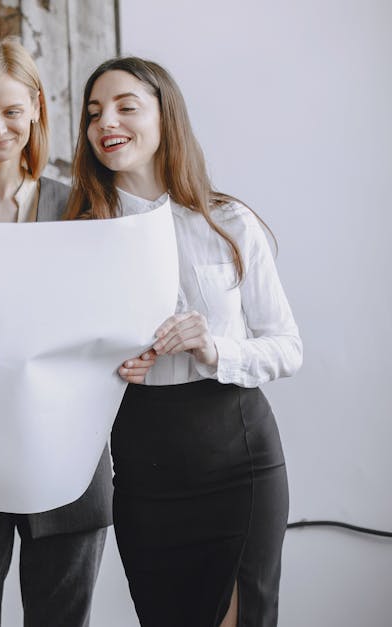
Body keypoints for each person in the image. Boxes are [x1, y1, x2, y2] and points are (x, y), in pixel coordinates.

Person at [0, 38, 154, 627]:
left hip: (68, 462)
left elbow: (118, 318)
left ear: (37, 112)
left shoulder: (83, 206)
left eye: (12, 112)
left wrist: (137, 349)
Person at [67, 57, 302, 627]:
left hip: (237, 460)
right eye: (95, 112)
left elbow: (287, 347)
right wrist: (105, 363)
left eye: (126, 106)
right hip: (145, 470)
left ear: (165, 117)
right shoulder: (77, 235)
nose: (106, 122)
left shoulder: (229, 222)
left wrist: (215, 347)